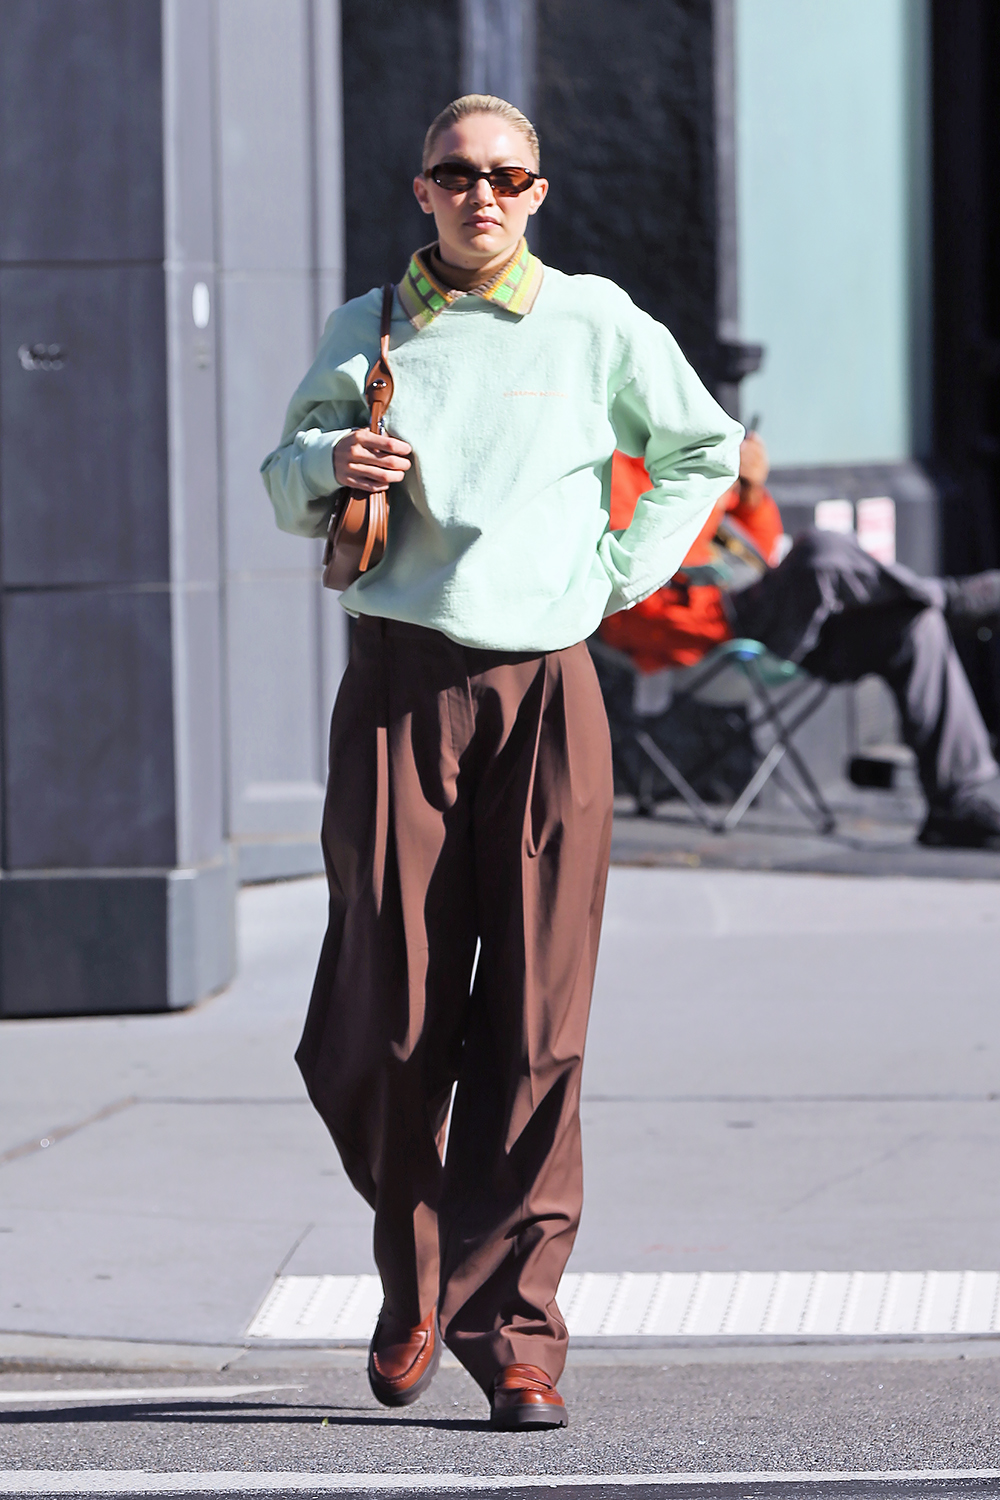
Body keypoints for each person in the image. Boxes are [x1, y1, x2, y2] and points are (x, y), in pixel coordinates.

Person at [261, 94, 741, 1429]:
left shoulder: (594, 321)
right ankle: (419, 1275)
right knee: (387, 1015)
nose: (484, 195)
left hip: (547, 690)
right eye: (458, 174)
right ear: (422, 190)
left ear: (538, 193)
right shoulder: (372, 325)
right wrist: (330, 456)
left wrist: (622, 575)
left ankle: (514, 1326)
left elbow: (702, 446)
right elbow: (284, 469)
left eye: (508, 176)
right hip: (398, 690)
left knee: (538, 1025)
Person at [601, 435, 1000, 849]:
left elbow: (762, 547)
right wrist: (710, 494)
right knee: (820, 551)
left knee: (916, 626)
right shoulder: (614, 467)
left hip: (767, 617)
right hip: (710, 628)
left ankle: (955, 803)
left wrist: (749, 491)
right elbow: (638, 575)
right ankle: (951, 597)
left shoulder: (680, 449)